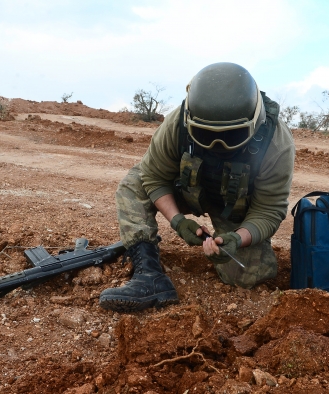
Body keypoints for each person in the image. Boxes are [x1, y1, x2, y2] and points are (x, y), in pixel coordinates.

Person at [99, 62, 295, 313]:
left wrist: (238, 239)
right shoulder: (176, 123)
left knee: (248, 277)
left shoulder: (276, 144)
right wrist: (178, 220)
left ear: (253, 122)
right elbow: (153, 177)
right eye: (205, 134)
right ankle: (148, 273)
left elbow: (268, 211)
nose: (218, 146)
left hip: (235, 207)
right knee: (133, 184)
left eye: (231, 136)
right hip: (186, 189)